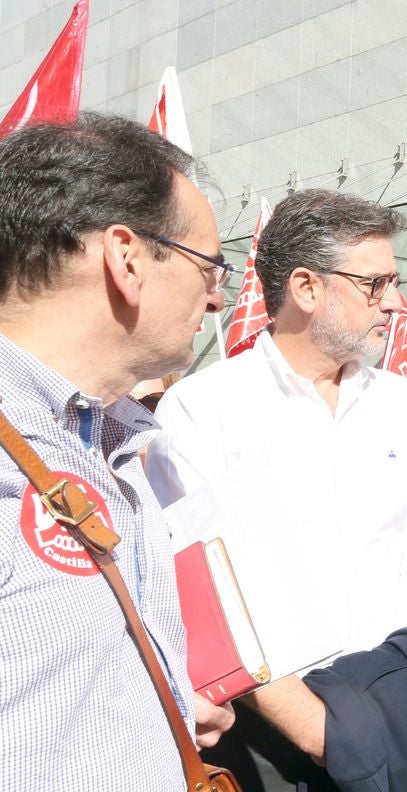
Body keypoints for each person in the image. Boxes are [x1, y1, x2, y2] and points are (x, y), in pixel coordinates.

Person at [145, 189, 407, 788]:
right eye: (376, 284)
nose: (396, 303)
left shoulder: (399, 405)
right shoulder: (203, 410)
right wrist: (320, 732)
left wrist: (397, 696)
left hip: (396, 713)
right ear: (307, 288)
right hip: (270, 736)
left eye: (394, 282)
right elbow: (204, 597)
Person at [0, 113, 235, 789]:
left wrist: (146, 703)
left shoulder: (113, 436)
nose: (217, 298)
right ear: (127, 259)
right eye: (208, 266)